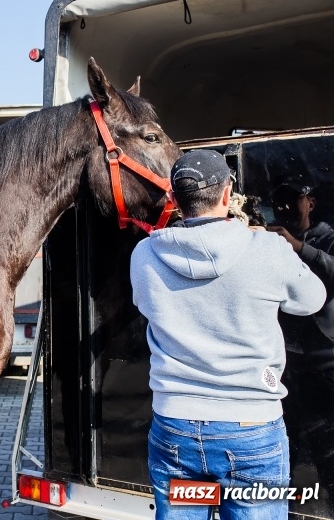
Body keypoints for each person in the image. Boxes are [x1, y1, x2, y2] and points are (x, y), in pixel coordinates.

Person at [130, 149, 327, 520]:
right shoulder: (268, 249)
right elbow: (312, 300)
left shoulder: (144, 256)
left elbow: (146, 305)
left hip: (176, 430)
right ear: (227, 194)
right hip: (251, 432)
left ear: (173, 200)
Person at [268, 174, 334, 511]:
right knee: (286, 446)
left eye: (294, 198)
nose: (286, 206)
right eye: (279, 200)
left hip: (324, 360)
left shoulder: (328, 237)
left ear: (311, 202)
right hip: (286, 362)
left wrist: (299, 248)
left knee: (327, 448)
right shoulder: (268, 240)